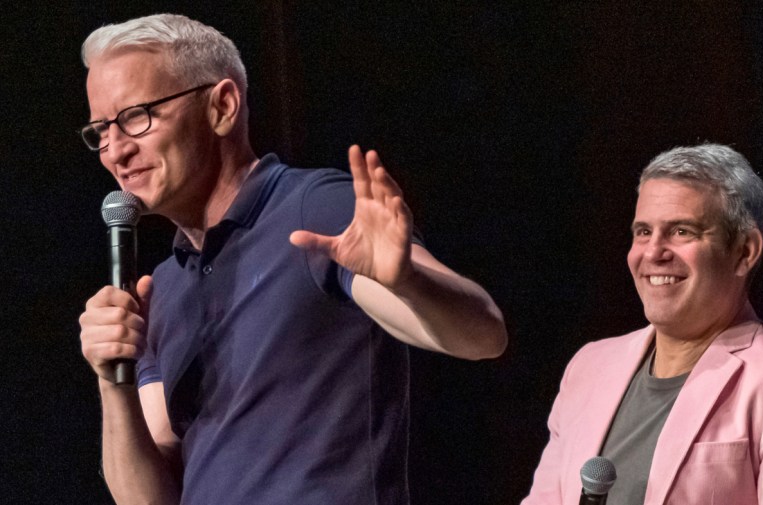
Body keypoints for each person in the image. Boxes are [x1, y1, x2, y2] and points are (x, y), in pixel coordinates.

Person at [77, 13, 507, 505]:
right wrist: (113, 380)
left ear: (222, 106)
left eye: (136, 116)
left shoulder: (313, 212)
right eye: (99, 131)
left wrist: (407, 280)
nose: (116, 150)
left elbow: (483, 336)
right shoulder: (163, 290)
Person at [522, 144, 763, 505]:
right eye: (642, 232)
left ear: (744, 251)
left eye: (682, 231)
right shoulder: (589, 368)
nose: (653, 253)